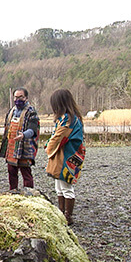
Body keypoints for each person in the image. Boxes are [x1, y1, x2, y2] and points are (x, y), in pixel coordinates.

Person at [45, 89, 86, 225]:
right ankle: (62, 213)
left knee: (66, 186)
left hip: (67, 157)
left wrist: (49, 147)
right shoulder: (70, 118)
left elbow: (58, 136)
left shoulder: (68, 119)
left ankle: (67, 216)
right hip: (65, 155)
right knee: (59, 185)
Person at [0, 87, 40, 191]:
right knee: (11, 171)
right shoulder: (11, 112)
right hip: (11, 147)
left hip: (25, 147)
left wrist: (24, 135)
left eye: (20, 97)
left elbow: (33, 130)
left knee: (26, 172)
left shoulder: (31, 112)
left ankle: (29, 194)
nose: (18, 99)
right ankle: (13, 192)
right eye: (16, 97)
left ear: (26, 98)